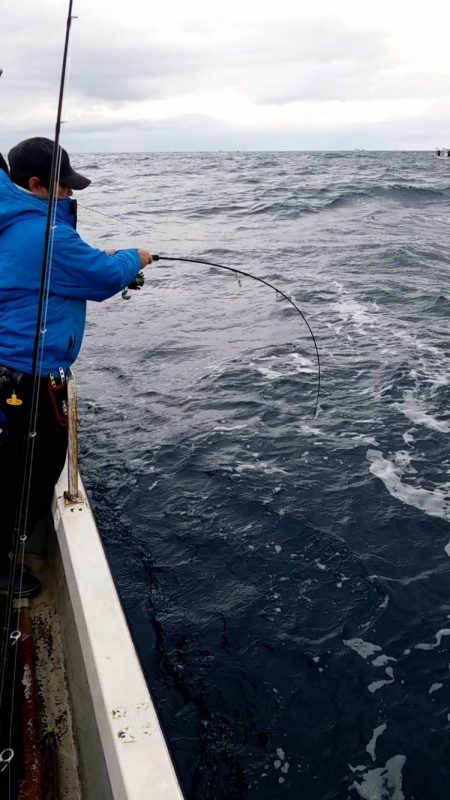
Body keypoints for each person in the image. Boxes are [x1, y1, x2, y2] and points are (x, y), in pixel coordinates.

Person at [0, 137, 153, 596]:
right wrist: (134, 257)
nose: (70, 194)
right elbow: (104, 279)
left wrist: (96, 259)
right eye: (63, 187)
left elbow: (57, 271)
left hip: (10, 368)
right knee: (32, 468)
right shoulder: (45, 233)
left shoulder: (17, 221)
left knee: (13, 461)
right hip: (29, 373)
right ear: (34, 184)